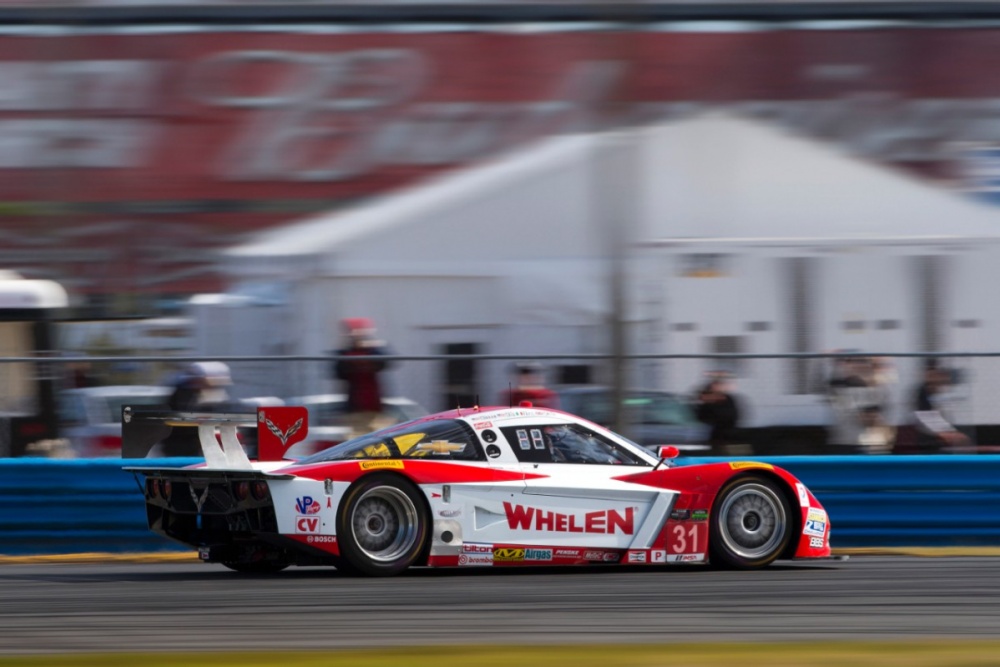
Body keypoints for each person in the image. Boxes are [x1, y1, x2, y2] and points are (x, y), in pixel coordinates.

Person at [333, 317, 393, 439]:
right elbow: (338, 372)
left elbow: (386, 362)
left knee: (380, 439)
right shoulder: (346, 353)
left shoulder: (373, 351)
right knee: (357, 440)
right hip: (356, 406)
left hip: (375, 404)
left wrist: (372, 347)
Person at [160, 361, 233, 456]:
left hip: (201, 441)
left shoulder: (213, 394)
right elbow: (181, 417)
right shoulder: (182, 393)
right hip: (181, 442)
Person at [909, 359, 969, 453]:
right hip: (928, 439)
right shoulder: (922, 392)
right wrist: (945, 433)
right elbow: (924, 415)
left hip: (938, 438)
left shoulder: (937, 390)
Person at [693, 371, 742, 452]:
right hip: (713, 436)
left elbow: (731, 416)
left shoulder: (728, 400)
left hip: (727, 435)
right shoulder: (708, 402)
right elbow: (701, 416)